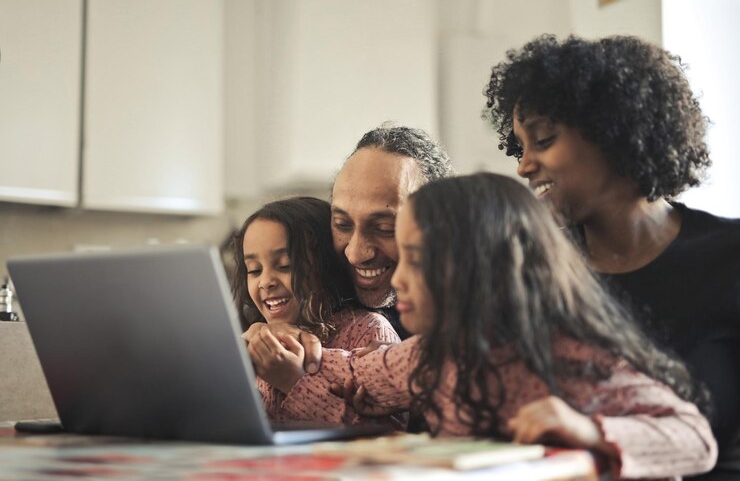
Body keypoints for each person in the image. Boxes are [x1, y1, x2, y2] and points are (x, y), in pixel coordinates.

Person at [246, 173, 717, 480]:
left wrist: (590, 430)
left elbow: (695, 438)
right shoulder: (433, 354)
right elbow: (353, 376)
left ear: (479, 268)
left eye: (416, 259)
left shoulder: (571, 355)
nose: (400, 276)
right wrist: (294, 352)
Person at [483, 34, 740, 477]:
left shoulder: (729, 256)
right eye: (519, 147)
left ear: (614, 131)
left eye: (543, 140)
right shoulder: (531, 272)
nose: (523, 165)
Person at [244, 125, 454, 363]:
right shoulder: (328, 298)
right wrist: (267, 338)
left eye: (384, 228)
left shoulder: (471, 325)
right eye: (343, 224)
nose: (355, 253)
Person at [231, 196, 401, 425]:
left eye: (285, 266)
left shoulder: (368, 331)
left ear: (327, 266)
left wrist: (293, 381)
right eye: (254, 270)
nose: (265, 282)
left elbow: (389, 432)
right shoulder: (256, 339)